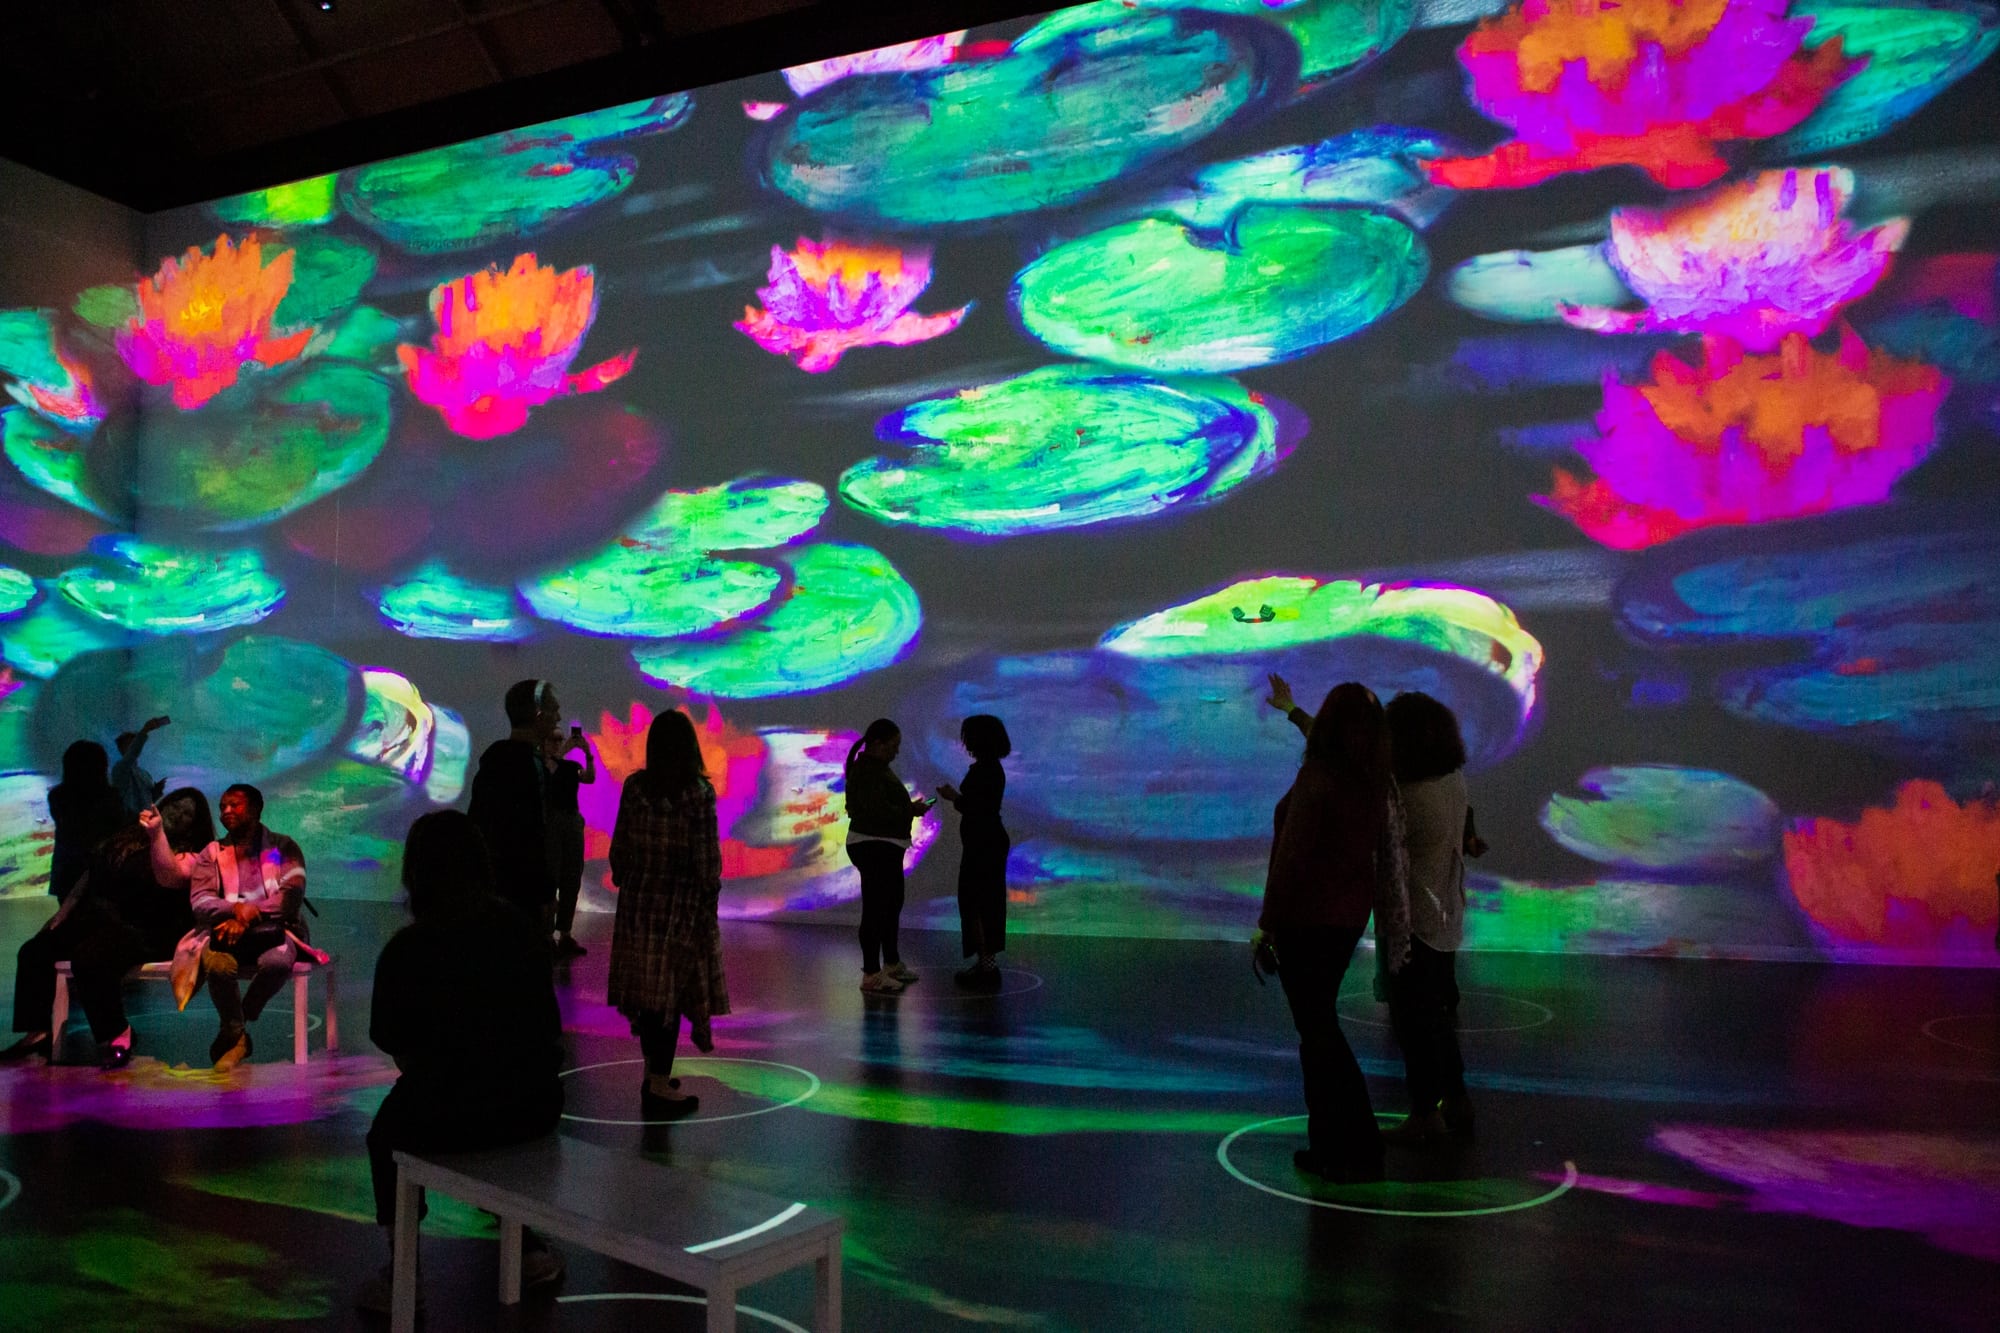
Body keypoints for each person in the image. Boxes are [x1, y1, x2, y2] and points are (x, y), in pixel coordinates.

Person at [357, 810, 566, 1313]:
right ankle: (528, 1247)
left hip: (448, 1113)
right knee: (490, 1127)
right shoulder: (519, 930)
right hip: (534, 1106)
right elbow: (548, 1025)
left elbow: (396, 1044)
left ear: (416, 871)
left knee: (385, 1138)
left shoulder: (408, 949)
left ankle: (403, 1268)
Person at [1255, 682, 1410, 1184]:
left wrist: (1266, 926)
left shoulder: (1319, 777)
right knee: (1320, 1031)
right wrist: (1291, 710)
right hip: (1346, 920)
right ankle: (1348, 1142)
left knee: (1318, 1036)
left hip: (1306, 922)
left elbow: (1292, 858)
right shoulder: (1371, 779)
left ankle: (1344, 1145)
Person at [4, 788, 212, 1066]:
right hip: (104, 920)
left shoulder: (194, 856)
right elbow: (91, 872)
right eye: (175, 806)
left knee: (90, 957)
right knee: (36, 950)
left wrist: (157, 835)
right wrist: (64, 911)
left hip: (148, 930)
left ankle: (117, 1032)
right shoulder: (130, 840)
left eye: (187, 813)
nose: (178, 815)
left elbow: (170, 876)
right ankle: (37, 1031)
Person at [607, 709, 727, 1119]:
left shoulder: (635, 787)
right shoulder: (698, 794)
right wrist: (708, 904)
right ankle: (658, 1085)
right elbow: (707, 862)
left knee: (648, 995)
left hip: (638, 907)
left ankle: (652, 1074)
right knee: (668, 997)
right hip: (681, 909)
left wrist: (629, 877)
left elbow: (620, 849)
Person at [1379, 691, 1482, 1145]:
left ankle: (1425, 1114)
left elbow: (1385, 856)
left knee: (1414, 1022)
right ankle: (1456, 1099)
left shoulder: (1408, 796)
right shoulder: (1453, 782)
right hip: (1445, 914)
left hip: (1413, 922)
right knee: (1436, 1016)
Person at [180, 783, 308, 1071]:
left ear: (256, 809)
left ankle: (236, 1024)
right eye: (222, 807)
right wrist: (234, 910)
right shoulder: (212, 852)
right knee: (218, 966)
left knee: (276, 964)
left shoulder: (282, 848)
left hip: (275, 930)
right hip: (224, 932)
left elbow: (291, 895)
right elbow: (200, 901)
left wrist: (249, 915)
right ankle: (238, 1035)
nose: (226, 811)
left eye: (234, 805)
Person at [844, 719, 934, 994]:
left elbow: (880, 807)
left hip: (883, 846)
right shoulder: (867, 772)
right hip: (873, 846)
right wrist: (911, 810)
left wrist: (907, 810)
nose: (896, 752)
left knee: (890, 904)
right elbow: (877, 811)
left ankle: (891, 964)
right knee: (876, 909)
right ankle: (872, 973)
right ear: (877, 743)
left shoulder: (874, 769)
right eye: (893, 746)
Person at [469, 678, 561, 930]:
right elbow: (535, 835)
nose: (559, 717)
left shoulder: (493, 761)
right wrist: (545, 891)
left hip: (497, 888)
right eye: (554, 710)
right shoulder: (532, 767)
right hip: (524, 892)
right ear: (538, 714)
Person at [937, 714, 1011, 991]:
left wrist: (954, 797)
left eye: (968, 736)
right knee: (982, 901)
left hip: (983, 843)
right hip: (987, 841)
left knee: (977, 903)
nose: (965, 742)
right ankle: (985, 962)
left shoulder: (985, 770)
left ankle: (987, 966)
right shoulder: (991, 768)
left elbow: (976, 807)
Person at [46, 740, 128, 899]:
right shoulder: (111, 797)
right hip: (102, 870)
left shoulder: (57, 796)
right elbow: (116, 829)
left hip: (67, 870)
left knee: (69, 911)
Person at [544, 722, 597, 958]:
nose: (558, 743)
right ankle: (547, 935)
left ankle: (565, 933)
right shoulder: (544, 765)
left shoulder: (570, 766)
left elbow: (589, 778)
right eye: (554, 739)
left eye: (560, 739)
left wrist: (587, 754)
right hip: (554, 821)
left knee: (572, 876)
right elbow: (550, 773)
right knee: (552, 875)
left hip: (572, 819)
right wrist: (564, 750)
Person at [110, 715, 171, 815]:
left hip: (145, 819)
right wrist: (145, 730)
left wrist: (157, 792)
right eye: (130, 744)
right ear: (121, 748)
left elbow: (149, 800)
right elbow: (132, 753)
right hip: (128, 820)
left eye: (133, 743)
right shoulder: (119, 768)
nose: (133, 746)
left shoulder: (145, 774)